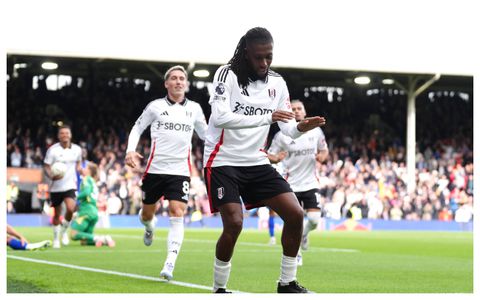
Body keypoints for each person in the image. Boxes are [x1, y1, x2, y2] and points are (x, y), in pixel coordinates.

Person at [203, 27, 325, 293]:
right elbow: (221, 117)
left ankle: (287, 283)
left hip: (256, 162)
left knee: (294, 214)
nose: (264, 63)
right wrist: (267, 118)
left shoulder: (278, 83)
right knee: (234, 223)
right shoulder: (227, 74)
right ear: (246, 53)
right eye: (259, 57)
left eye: (269, 57)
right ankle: (219, 288)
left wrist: (304, 126)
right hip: (222, 160)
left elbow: (289, 129)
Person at [125, 65, 208, 281]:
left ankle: (169, 262)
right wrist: (130, 150)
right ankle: (149, 227)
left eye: (182, 78)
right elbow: (137, 128)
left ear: (186, 84)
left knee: (177, 212)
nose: (179, 81)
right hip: (154, 171)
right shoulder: (155, 106)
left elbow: (206, 136)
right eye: (174, 78)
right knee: (146, 216)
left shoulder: (196, 109)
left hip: (180, 171)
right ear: (166, 83)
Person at [268, 99, 329, 266]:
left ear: (304, 112)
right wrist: (275, 159)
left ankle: (304, 235)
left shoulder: (316, 132)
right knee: (294, 221)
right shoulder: (281, 136)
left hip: (311, 183)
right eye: (292, 109)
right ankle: (296, 255)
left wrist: (322, 157)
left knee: (315, 220)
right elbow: (270, 155)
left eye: (299, 108)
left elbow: (324, 150)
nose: (296, 111)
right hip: (291, 184)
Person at [44, 125, 82, 248]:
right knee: (56, 214)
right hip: (55, 186)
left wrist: (80, 169)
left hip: (70, 185)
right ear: (58, 136)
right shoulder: (52, 150)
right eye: (62, 133)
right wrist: (50, 175)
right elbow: (46, 165)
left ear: (70, 135)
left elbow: (78, 164)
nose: (64, 135)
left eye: (66, 133)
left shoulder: (77, 149)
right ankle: (56, 238)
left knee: (71, 209)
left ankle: (64, 231)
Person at [70, 162, 115, 247]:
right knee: (84, 241)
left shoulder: (87, 179)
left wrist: (76, 197)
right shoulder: (93, 182)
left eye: (86, 168)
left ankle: (100, 238)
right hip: (94, 212)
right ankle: (104, 240)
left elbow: (86, 192)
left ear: (89, 171)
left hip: (86, 211)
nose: (84, 169)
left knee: (73, 234)